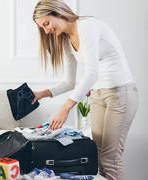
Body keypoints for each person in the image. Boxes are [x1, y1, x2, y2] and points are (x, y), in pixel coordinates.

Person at [30, 0, 138, 180]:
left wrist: (65, 108)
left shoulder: (87, 26)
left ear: (58, 13)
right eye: (43, 28)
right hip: (97, 95)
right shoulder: (65, 40)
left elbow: (92, 72)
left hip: (120, 93)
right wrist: (42, 94)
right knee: (98, 156)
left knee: (110, 160)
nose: (47, 30)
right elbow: (69, 82)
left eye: (47, 24)